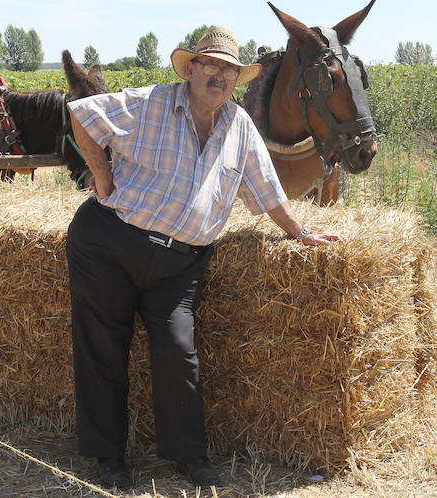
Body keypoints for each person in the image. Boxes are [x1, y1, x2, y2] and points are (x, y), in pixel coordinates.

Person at [65, 26, 343, 490]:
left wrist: (302, 232)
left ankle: (188, 455)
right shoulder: (151, 101)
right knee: (103, 350)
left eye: (229, 70)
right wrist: (101, 174)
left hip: (180, 265)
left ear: (237, 79)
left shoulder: (239, 126)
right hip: (109, 244)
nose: (218, 75)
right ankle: (108, 459)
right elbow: (82, 113)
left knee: (178, 352)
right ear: (190, 68)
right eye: (210, 64)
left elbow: (267, 192)